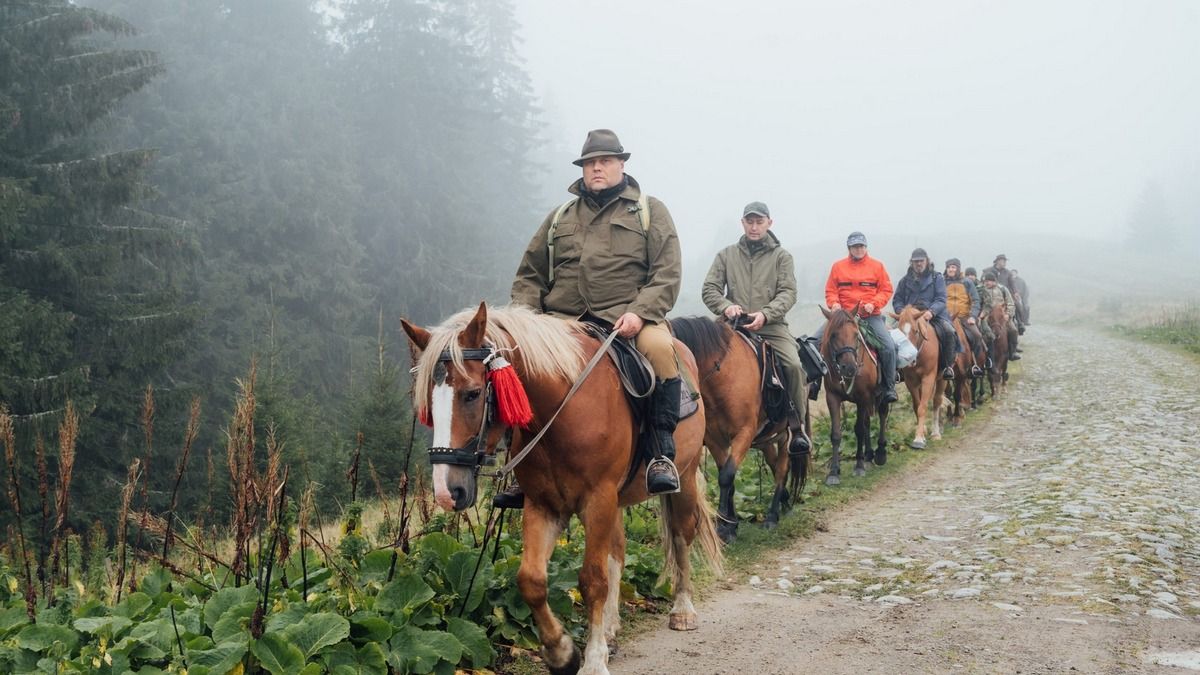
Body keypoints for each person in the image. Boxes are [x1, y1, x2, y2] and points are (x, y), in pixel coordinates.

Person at [507, 129, 684, 506]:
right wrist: (529, 322)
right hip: (561, 321)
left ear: (621, 164)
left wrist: (640, 313)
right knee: (516, 362)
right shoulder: (560, 217)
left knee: (662, 348)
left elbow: (667, 273)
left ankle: (661, 454)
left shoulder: (650, 212)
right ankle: (519, 465)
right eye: (590, 163)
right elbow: (529, 276)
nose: (597, 168)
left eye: (604, 161)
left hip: (627, 319)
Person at [702, 201, 809, 456]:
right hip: (733, 327)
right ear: (742, 223)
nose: (754, 226)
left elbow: (788, 292)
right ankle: (696, 425)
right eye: (749, 221)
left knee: (794, 365)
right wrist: (726, 307)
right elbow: (710, 289)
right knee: (700, 361)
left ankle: (797, 427)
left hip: (770, 326)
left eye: (759, 222)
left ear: (769, 224)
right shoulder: (726, 255)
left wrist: (766, 314)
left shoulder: (782, 257)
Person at [813, 231, 898, 403]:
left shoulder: (877, 266)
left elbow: (886, 290)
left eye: (861, 246)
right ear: (849, 248)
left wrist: (874, 303)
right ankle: (815, 383)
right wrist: (834, 304)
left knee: (889, 346)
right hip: (843, 317)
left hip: (869, 316)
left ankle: (889, 387)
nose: (858, 249)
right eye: (854, 246)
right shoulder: (838, 267)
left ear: (866, 247)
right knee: (813, 342)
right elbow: (831, 290)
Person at [892, 248, 957, 380]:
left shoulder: (937, 277)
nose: (919, 264)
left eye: (921, 261)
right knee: (893, 335)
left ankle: (947, 367)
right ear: (911, 263)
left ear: (927, 261)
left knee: (949, 331)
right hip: (911, 318)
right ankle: (896, 369)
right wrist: (903, 313)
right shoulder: (904, 281)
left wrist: (931, 312)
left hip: (934, 315)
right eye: (915, 261)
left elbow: (941, 298)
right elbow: (897, 300)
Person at [943, 258, 984, 377]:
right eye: (949, 267)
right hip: (946, 318)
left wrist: (972, 316)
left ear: (958, 269)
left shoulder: (967, 282)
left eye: (953, 267)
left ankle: (974, 364)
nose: (951, 269)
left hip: (964, 317)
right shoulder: (941, 281)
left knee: (977, 335)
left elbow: (976, 300)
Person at [978, 270, 1019, 362]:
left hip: (1001, 316)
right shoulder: (980, 289)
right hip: (986, 316)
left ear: (994, 281)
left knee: (1013, 330)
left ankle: (1012, 352)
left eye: (989, 281)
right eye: (985, 281)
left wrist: (1008, 315)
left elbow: (1010, 303)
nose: (986, 283)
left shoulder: (1003, 289)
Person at [984, 254, 1023, 347]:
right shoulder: (987, 271)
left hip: (1004, 299)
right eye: (1003, 261)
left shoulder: (1008, 273)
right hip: (988, 308)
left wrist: (1015, 292)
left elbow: (1012, 284)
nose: (1004, 263)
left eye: (1005, 261)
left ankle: (1012, 349)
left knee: (1013, 329)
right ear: (997, 261)